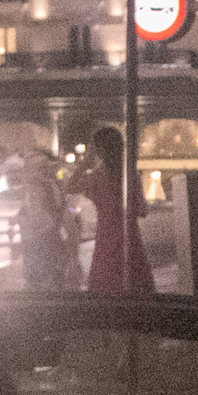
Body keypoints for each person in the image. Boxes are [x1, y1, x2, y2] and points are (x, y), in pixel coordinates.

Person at [74, 125, 153, 295]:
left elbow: (70, 187)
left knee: (105, 288)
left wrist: (86, 161)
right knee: (135, 288)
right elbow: (142, 210)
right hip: (130, 238)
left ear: (98, 151)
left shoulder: (96, 177)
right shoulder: (130, 175)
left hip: (106, 238)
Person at [13, 153, 76, 293]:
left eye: (44, 167)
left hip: (48, 257)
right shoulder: (34, 191)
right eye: (38, 168)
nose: (44, 171)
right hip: (40, 259)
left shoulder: (48, 189)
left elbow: (63, 220)